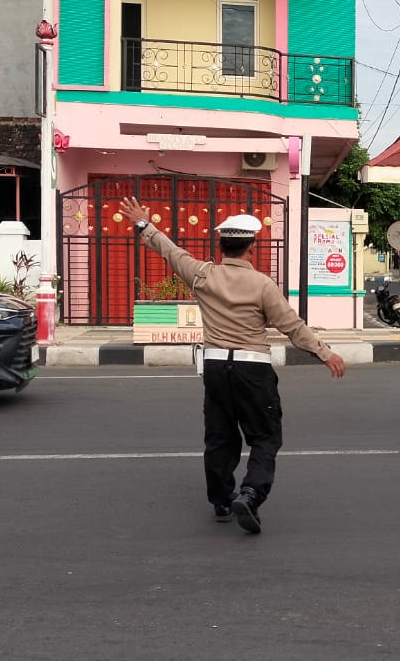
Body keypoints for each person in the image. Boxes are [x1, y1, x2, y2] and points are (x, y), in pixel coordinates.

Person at [121, 197, 346, 534]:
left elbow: (169, 250)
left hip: (214, 369)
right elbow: (292, 327)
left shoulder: (202, 275)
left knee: (220, 437)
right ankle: (251, 493)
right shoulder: (262, 285)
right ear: (250, 248)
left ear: (222, 246)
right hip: (252, 369)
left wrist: (143, 223)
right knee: (266, 436)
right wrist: (325, 352)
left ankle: (222, 500)